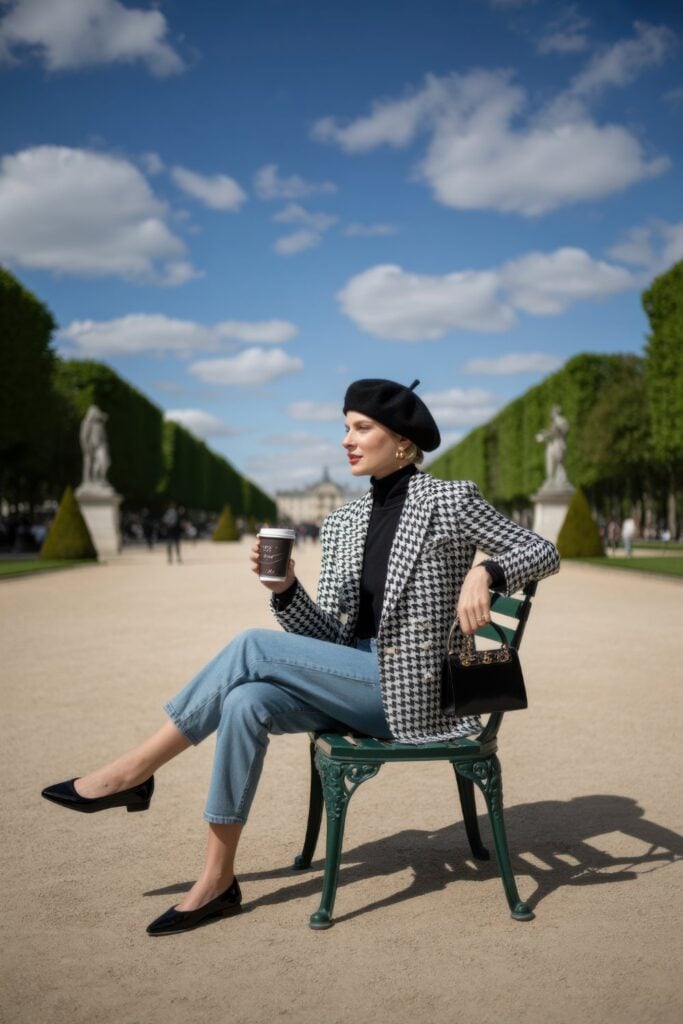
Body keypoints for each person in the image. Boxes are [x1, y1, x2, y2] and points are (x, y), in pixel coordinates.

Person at [41, 378, 560, 936]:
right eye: (345, 427)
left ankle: (134, 771)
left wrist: (487, 570)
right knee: (246, 700)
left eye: (362, 428)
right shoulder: (342, 523)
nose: (347, 439)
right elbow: (327, 637)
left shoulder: (449, 501)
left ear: (404, 442)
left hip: (415, 695)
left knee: (249, 645)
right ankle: (217, 880)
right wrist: (286, 588)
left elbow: (543, 549)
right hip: (352, 681)